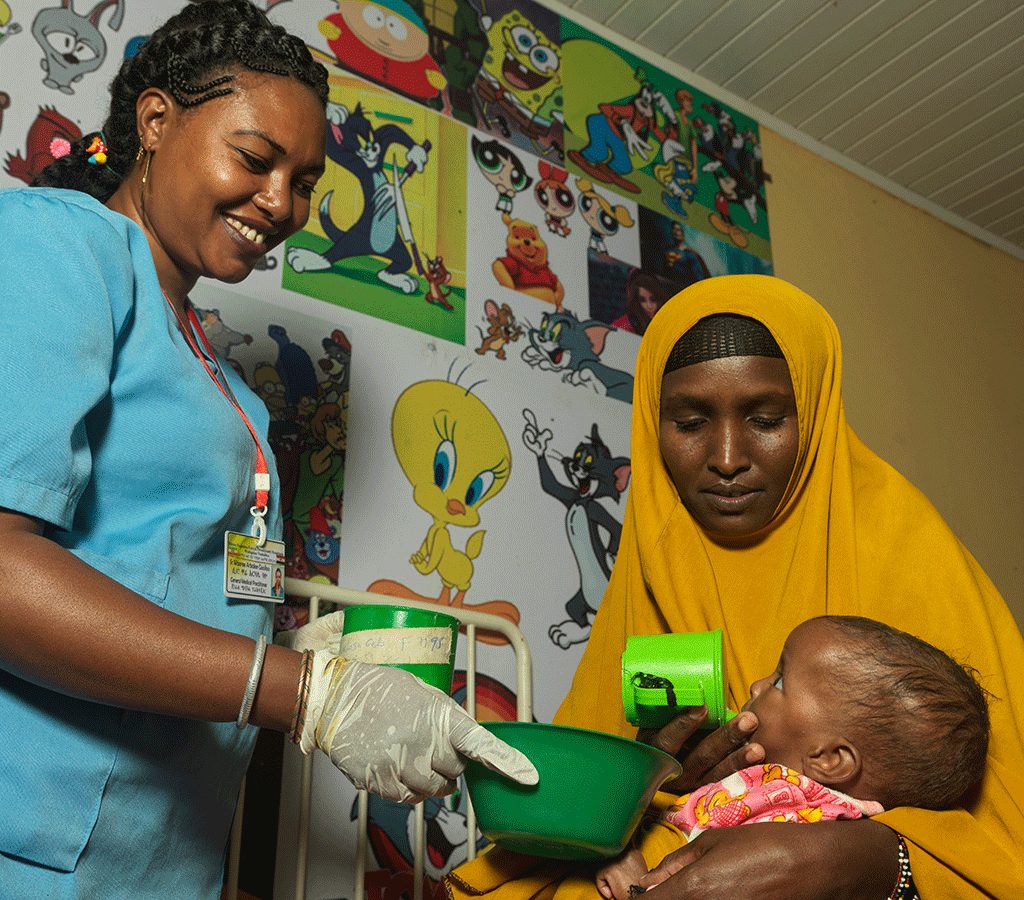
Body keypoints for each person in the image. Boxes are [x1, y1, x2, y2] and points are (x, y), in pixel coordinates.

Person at [0, 3, 534, 897]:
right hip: (44, 847)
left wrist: (280, 632)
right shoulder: (60, 246)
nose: (281, 204)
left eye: (304, 180)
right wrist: (306, 691)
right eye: (255, 159)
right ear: (157, 121)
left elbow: (171, 562)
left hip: (171, 855)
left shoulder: (231, 387)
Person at [446, 275, 1024, 898]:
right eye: (691, 422)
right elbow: (566, 827)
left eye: (767, 419)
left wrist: (855, 859)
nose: (726, 456)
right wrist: (648, 784)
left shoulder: (909, 548)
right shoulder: (655, 558)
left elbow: (1002, 840)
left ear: (816, 410)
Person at [595, 614, 990, 899]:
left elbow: (700, 882)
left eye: (779, 681)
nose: (756, 683)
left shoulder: (789, 816)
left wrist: (635, 875)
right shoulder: (777, 791)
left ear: (831, 759)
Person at [612, 271, 674, 336]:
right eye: (643, 300)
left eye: (653, 300)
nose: (649, 306)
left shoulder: (669, 320)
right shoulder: (624, 325)